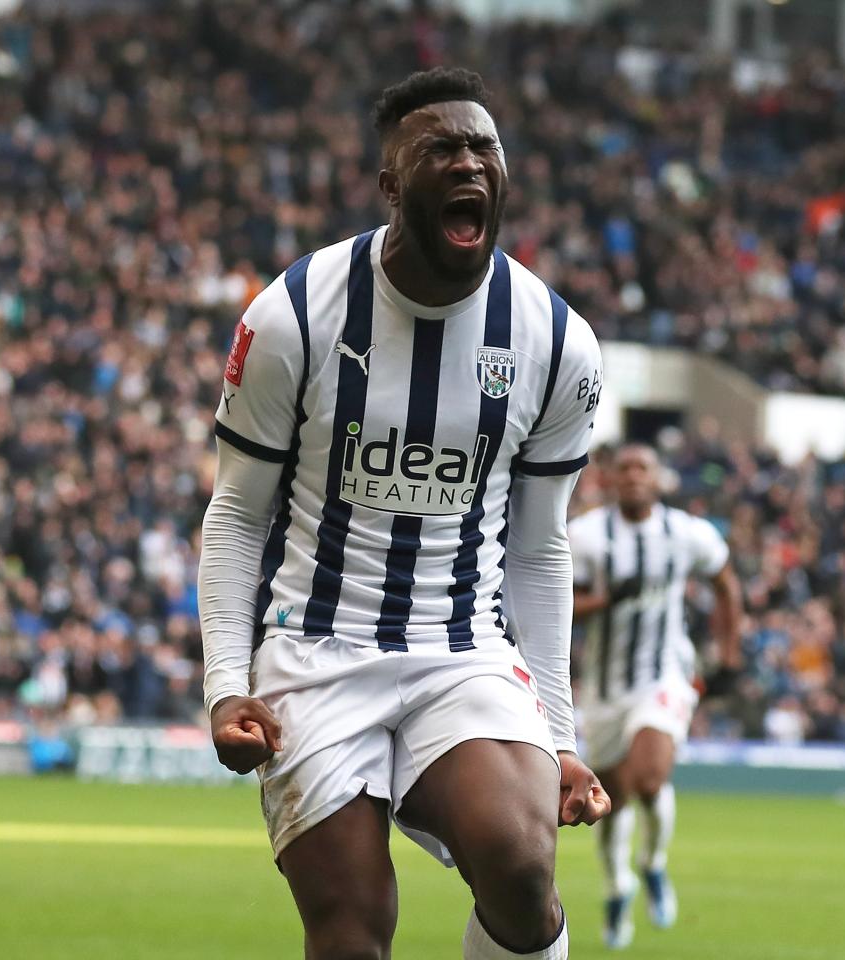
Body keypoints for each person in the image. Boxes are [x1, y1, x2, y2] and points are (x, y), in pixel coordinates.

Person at [198, 67, 609, 960]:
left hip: (461, 652)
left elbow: (540, 547)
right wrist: (227, 683)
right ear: (391, 185)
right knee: (350, 929)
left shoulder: (554, 337)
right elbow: (235, 516)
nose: (469, 163)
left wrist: (562, 737)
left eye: (484, 148)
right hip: (316, 650)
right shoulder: (294, 314)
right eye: (441, 149)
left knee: (522, 866)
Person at [569, 443, 742, 948]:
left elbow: (727, 584)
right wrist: (603, 600)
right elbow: (558, 601)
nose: (633, 476)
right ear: (609, 478)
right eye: (624, 468)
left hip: (665, 674)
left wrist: (729, 656)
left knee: (648, 778)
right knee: (610, 800)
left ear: (659, 478)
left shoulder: (686, 533)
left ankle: (652, 863)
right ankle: (616, 887)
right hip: (603, 689)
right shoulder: (586, 535)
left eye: (642, 467)